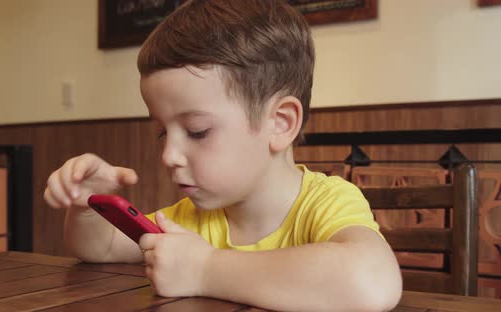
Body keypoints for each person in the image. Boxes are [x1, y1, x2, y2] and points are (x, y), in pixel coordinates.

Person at [43, 0, 402, 310]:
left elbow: (371, 282)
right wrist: (85, 205)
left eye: (197, 131)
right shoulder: (191, 219)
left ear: (279, 124)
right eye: (163, 132)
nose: (169, 155)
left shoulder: (325, 204)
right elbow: (100, 249)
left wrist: (205, 270)